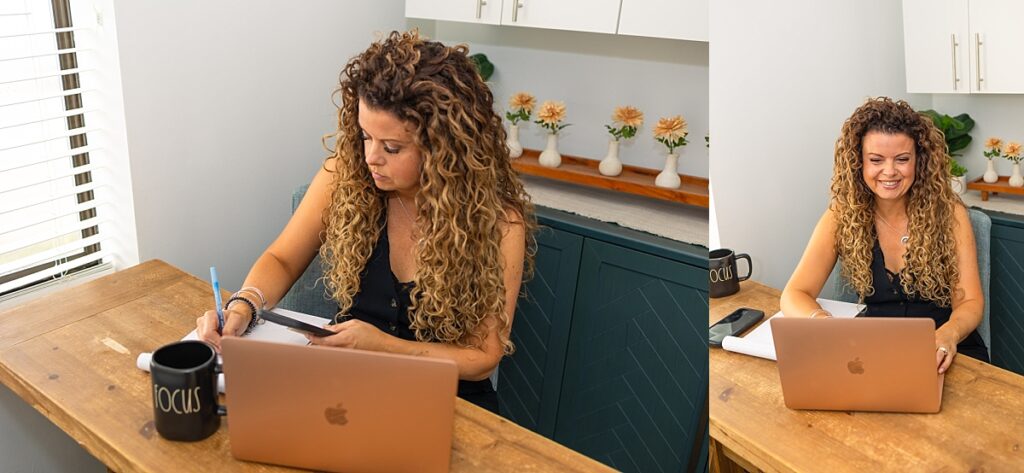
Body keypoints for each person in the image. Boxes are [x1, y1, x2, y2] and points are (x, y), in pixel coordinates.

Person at [195, 30, 536, 414]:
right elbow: (283, 259)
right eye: (364, 136)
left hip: (446, 402)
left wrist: (382, 347)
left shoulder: (498, 222)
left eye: (392, 147)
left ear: (445, 148)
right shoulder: (346, 175)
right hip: (346, 390)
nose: (371, 157)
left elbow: (483, 356)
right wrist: (243, 307)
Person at [780, 97, 988, 374]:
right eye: (876, 160)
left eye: (902, 159)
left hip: (946, 350)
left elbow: (971, 302)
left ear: (920, 160)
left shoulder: (950, 214)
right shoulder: (841, 216)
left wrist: (949, 334)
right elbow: (794, 294)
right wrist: (822, 322)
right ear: (858, 162)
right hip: (873, 353)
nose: (889, 172)